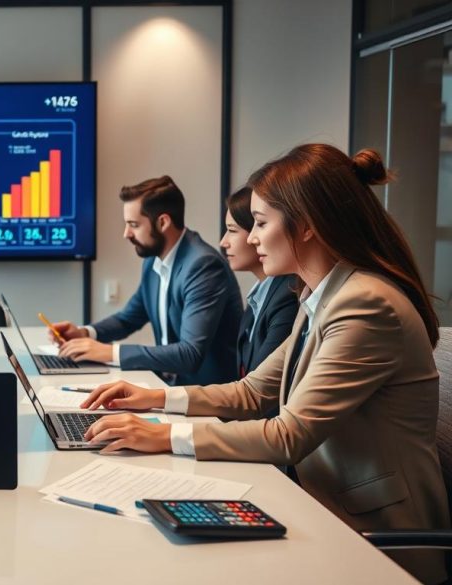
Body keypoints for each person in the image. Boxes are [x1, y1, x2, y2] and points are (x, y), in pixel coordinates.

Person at [79, 145, 449, 584]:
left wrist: (164, 435)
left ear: (307, 225)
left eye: (259, 223)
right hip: (321, 508)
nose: (249, 239)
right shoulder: (318, 297)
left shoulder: (364, 304)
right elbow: (254, 392)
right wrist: (154, 397)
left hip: (374, 542)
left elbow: (289, 434)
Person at [52, 176, 243, 385]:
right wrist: (85, 333)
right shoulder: (154, 261)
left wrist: (110, 352)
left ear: (162, 222)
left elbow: (189, 354)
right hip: (166, 386)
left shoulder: (202, 266)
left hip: (205, 399)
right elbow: (129, 318)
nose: (126, 234)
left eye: (133, 225)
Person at [220, 186, 298, 380]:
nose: (223, 242)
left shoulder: (288, 294)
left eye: (231, 231)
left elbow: (259, 389)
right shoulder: (261, 294)